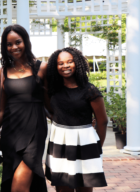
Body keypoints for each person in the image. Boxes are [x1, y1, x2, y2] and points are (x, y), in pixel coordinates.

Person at [0, 24, 50, 192]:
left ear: (25, 41)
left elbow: (49, 103)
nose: (14, 47)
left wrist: (72, 119)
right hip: (10, 133)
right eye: (8, 44)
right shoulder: (2, 73)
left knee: (19, 185)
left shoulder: (42, 68)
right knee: (15, 180)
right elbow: (1, 109)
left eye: (17, 42)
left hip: (35, 130)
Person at [45, 47, 108, 192]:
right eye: (60, 63)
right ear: (55, 66)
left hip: (84, 143)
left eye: (70, 62)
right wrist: (54, 119)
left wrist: (97, 147)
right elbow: (49, 108)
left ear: (77, 63)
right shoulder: (54, 89)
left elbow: (102, 121)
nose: (65, 66)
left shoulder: (89, 90)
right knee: (62, 189)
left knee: (84, 188)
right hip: (59, 142)